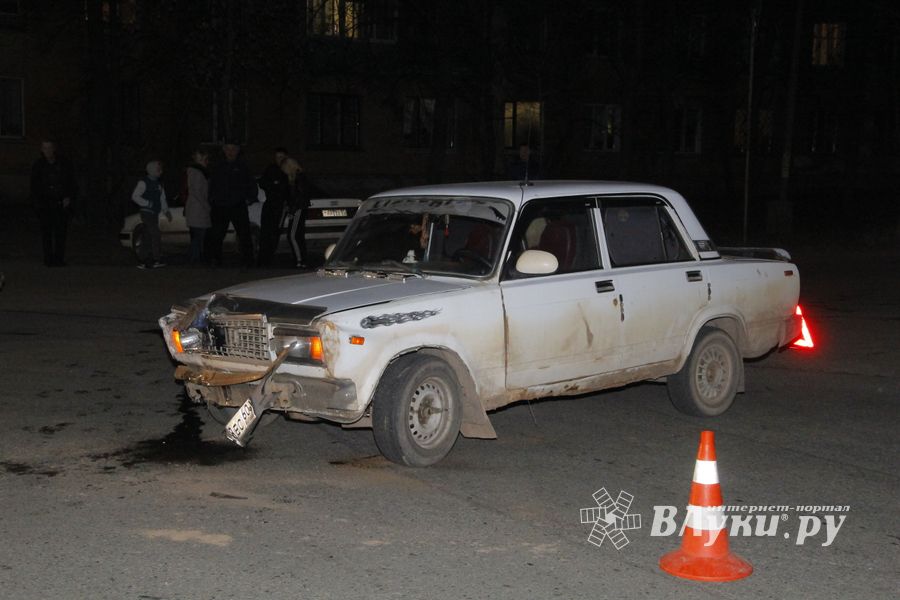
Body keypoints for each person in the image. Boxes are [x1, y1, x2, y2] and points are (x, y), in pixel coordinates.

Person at [206, 141, 257, 267]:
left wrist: (249, 198)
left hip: (237, 204)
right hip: (220, 205)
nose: (230, 152)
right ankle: (215, 259)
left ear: (238, 150)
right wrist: (212, 199)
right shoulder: (218, 166)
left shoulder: (243, 166)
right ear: (224, 150)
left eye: (233, 149)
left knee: (244, 234)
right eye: (228, 149)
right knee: (217, 234)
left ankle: (248, 260)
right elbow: (212, 184)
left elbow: (251, 183)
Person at [30, 139, 76, 267]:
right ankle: (48, 259)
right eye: (45, 148)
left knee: (60, 232)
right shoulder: (38, 165)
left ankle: (59, 259)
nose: (47, 151)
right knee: (46, 233)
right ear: (42, 150)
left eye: (49, 148)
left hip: (60, 203)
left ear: (54, 149)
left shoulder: (64, 164)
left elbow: (71, 181)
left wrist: (68, 196)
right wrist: (37, 202)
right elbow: (34, 185)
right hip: (45, 203)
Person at [131, 160, 172, 269]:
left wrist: (166, 211)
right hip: (146, 213)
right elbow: (135, 196)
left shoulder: (159, 184)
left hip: (154, 214)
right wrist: (147, 203)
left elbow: (162, 199)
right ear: (153, 170)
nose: (161, 172)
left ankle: (144, 260)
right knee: (155, 234)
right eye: (159, 170)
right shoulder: (143, 182)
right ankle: (155, 259)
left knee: (148, 235)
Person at [256, 147, 290, 266]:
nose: (279, 159)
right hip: (270, 204)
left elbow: (287, 188)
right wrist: (273, 185)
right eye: (277, 157)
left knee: (274, 232)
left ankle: (269, 257)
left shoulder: (287, 170)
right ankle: (262, 258)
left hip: (279, 206)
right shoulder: (271, 169)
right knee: (265, 231)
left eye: (281, 157)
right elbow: (263, 182)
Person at [281, 157, 311, 268]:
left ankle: (299, 260)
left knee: (292, 235)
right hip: (298, 208)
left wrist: (292, 211)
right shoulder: (298, 177)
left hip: (298, 209)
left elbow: (299, 197)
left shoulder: (299, 178)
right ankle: (301, 260)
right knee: (297, 235)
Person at [183, 149, 210, 265]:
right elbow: (198, 192)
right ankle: (195, 259)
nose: (207, 162)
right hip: (198, 211)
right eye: (205, 159)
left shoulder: (196, 172)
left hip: (197, 210)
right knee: (198, 237)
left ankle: (195, 259)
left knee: (197, 237)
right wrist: (207, 206)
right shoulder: (197, 173)